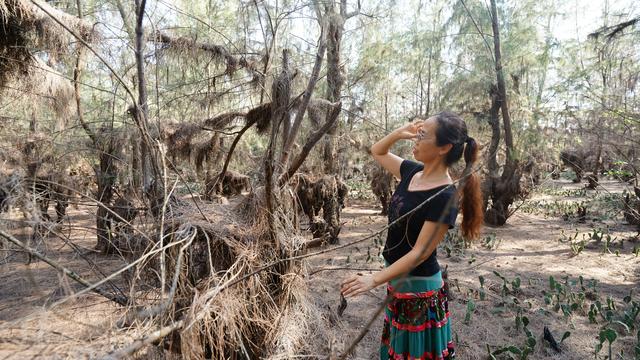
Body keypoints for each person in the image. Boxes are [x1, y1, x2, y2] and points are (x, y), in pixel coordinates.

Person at [341, 111, 483, 360]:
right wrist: (398, 133)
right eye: (417, 133)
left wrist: (372, 280)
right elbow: (378, 151)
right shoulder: (411, 171)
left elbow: (419, 253)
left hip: (419, 290)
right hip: (396, 278)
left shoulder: (444, 197)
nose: (415, 139)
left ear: (444, 147)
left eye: (423, 135)